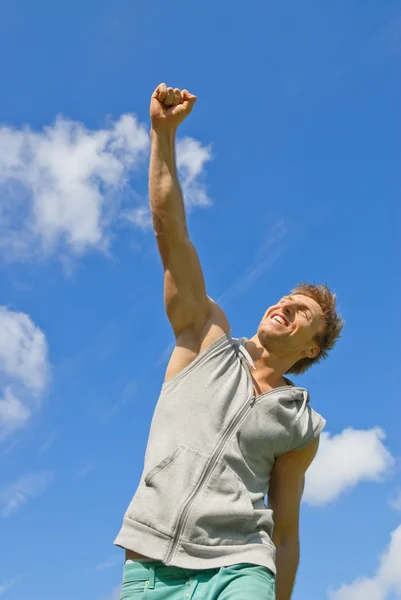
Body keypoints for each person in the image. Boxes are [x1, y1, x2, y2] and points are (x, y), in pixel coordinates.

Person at [114, 83, 344, 600]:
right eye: (284, 299)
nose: (284, 306)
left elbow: (285, 533)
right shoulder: (204, 339)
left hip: (241, 567)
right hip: (152, 568)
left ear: (313, 347)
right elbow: (172, 237)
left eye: (302, 311)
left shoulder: (300, 426)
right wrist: (162, 135)